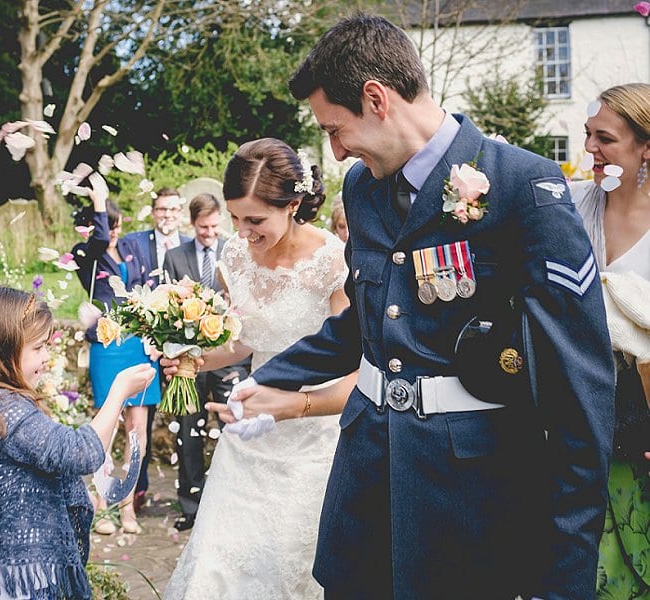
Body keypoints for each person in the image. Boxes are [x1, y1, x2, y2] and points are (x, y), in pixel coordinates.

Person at [232, 14, 615, 599]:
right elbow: (365, 321)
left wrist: (563, 580)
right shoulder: (362, 188)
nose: (334, 153)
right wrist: (267, 379)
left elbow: (578, 394)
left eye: (335, 130)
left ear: (376, 99)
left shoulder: (521, 187)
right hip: (366, 487)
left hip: (468, 499)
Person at [163, 138, 357, 600]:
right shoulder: (233, 256)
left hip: (314, 441)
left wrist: (293, 407)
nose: (242, 232)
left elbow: (355, 369)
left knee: (290, 569)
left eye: (254, 220)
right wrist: (192, 360)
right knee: (219, 566)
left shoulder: (333, 260)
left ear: (293, 204)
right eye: (234, 217)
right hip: (248, 436)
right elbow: (247, 340)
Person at [0, 284, 156, 600]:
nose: (47, 358)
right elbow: (80, 452)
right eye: (38, 349)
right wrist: (119, 392)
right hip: (12, 581)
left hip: (7, 575)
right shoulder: (6, 410)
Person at [571, 82, 650, 598]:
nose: (590, 151)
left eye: (606, 139)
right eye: (587, 135)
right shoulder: (574, 208)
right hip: (576, 410)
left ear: (646, 149)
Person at [72, 190, 161, 534]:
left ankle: (127, 508)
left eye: (117, 224)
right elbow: (98, 240)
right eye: (107, 226)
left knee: (137, 430)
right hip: (107, 345)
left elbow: (146, 291)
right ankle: (103, 505)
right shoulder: (84, 254)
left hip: (138, 344)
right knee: (107, 430)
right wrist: (99, 201)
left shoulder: (132, 249)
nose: (114, 233)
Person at [160, 193, 250, 531]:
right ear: (192, 223)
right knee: (188, 432)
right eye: (203, 227)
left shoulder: (234, 251)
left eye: (214, 226)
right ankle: (191, 506)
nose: (209, 232)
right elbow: (165, 307)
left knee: (234, 430)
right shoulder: (174, 256)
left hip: (229, 358)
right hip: (187, 361)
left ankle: (233, 503)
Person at [123, 188, 190, 511]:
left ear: (181, 214)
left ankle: (188, 493)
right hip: (143, 345)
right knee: (141, 421)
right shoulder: (135, 243)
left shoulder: (190, 245)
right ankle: (137, 490)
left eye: (174, 210)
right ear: (153, 212)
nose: (167, 215)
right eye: (162, 209)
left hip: (182, 344)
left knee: (187, 416)